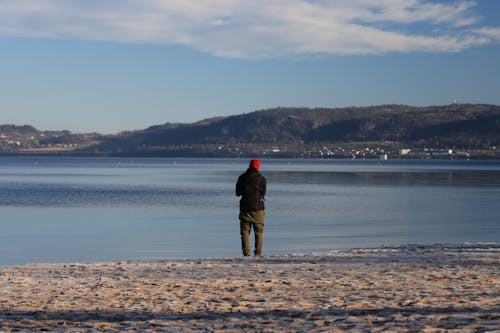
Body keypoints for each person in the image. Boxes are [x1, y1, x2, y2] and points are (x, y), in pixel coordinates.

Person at [236, 159, 266, 257]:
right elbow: (263, 193)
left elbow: (237, 193)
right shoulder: (261, 178)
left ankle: (246, 255)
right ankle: (257, 254)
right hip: (258, 209)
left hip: (245, 208)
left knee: (244, 233)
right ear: (258, 166)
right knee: (258, 233)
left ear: (249, 166)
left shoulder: (242, 177)